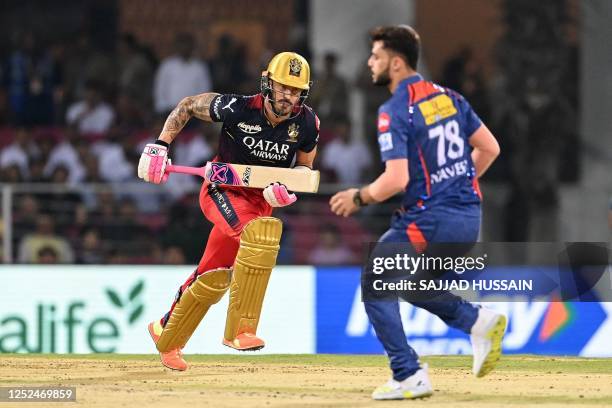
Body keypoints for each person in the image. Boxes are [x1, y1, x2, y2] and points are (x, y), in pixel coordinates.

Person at [329, 25, 504, 400]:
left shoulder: (394, 110)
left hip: (430, 219)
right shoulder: (450, 97)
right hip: (469, 219)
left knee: (376, 281)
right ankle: (477, 321)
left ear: (395, 62)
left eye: (375, 56)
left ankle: (407, 374)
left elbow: (396, 179)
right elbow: (490, 149)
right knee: (411, 285)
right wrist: (456, 184)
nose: (369, 62)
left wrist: (358, 197)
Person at [138, 52, 319, 371]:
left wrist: (286, 192)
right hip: (222, 192)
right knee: (259, 236)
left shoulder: (306, 122)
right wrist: (161, 145)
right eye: (282, 88)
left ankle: (167, 334)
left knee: (212, 275)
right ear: (267, 84)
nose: (289, 96)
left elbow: (304, 170)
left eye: (295, 90)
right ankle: (240, 330)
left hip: (261, 202)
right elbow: (188, 105)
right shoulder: (237, 108)